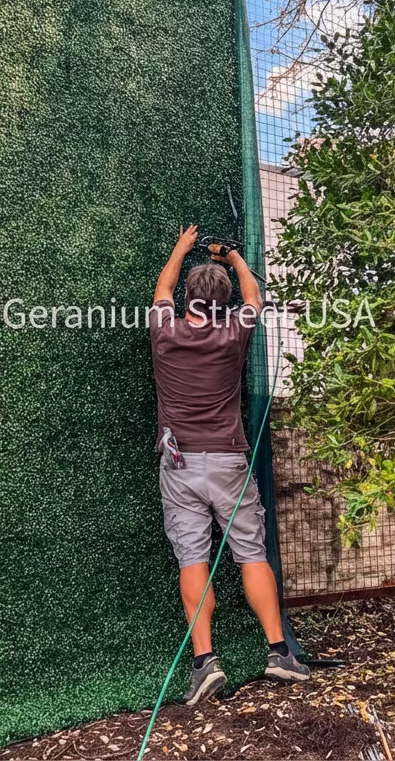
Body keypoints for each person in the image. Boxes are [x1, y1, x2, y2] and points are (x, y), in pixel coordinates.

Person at [148, 224, 310, 705]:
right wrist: (234, 258)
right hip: (228, 462)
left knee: (192, 559)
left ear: (189, 300)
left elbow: (161, 290)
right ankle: (279, 654)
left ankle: (205, 663)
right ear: (223, 304)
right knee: (251, 554)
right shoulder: (234, 333)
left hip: (179, 465)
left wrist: (182, 247)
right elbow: (254, 298)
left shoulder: (165, 331)